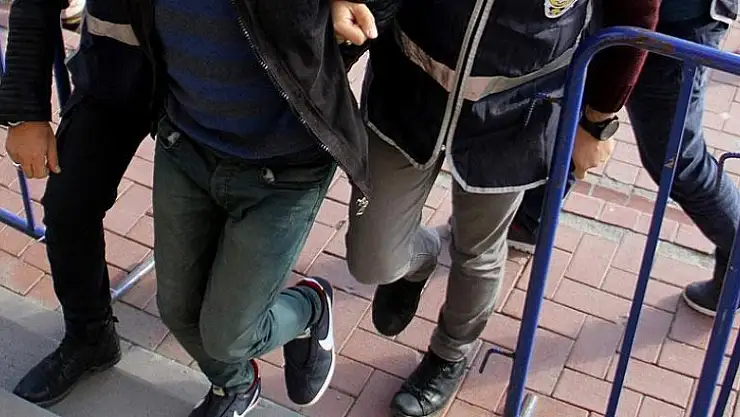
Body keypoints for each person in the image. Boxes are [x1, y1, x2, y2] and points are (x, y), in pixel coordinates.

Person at [0, 0, 396, 414]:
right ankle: (92, 337)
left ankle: (260, 326)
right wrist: (25, 110)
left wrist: (320, 25)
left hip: (232, 95)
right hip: (127, 70)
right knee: (72, 209)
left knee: (227, 314)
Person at [339, 0, 660, 416]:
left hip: (515, 114)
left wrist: (599, 121)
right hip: (408, 90)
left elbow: (636, 12)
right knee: (372, 260)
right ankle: (421, 259)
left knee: (478, 249)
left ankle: (450, 354)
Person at [509, 0, 740, 318]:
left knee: (676, 160)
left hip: (675, 23)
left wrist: (600, 118)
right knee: (575, 105)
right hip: (622, 15)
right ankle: (531, 217)